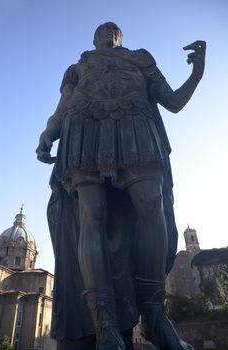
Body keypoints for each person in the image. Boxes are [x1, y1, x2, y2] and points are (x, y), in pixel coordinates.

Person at [36, 22, 205, 350]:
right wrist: (49, 132)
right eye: (102, 30)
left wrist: (197, 74)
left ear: (120, 38)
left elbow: (172, 101)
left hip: (136, 131)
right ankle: (106, 325)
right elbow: (63, 107)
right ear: (94, 38)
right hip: (83, 133)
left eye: (113, 30)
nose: (107, 32)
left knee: (150, 202)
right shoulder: (77, 67)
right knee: (91, 215)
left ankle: (155, 314)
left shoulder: (142, 59)